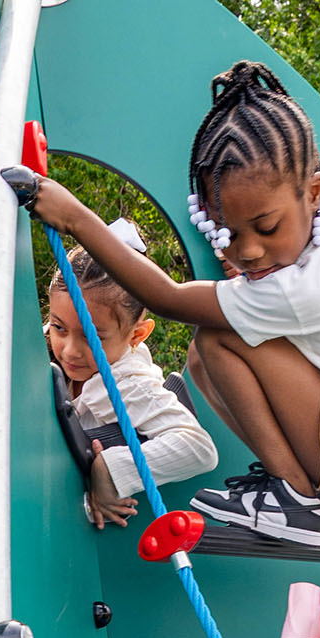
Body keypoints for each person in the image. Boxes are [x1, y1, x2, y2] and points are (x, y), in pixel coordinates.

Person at [22, 61, 320, 546]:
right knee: (200, 359)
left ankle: (296, 497)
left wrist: (77, 220)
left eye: (266, 228)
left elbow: (168, 299)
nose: (249, 250)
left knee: (216, 336)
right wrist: (248, 250)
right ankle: (294, 490)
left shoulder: (314, 285)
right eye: (227, 231)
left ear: (313, 191)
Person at [45, 217, 217, 529]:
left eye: (92, 337)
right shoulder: (50, 352)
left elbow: (199, 449)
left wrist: (111, 468)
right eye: (58, 327)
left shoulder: (130, 385)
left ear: (137, 335)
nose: (69, 350)